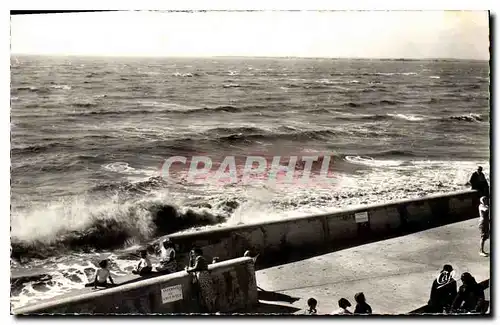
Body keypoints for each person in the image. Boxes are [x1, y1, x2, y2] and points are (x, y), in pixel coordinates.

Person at [186, 248, 215, 312]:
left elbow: (195, 268)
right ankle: (210, 309)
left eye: (193, 253)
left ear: (197, 253)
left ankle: (211, 309)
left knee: (207, 293)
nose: (193, 254)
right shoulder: (197, 259)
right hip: (202, 277)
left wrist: (188, 270)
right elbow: (192, 267)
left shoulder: (199, 258)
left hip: (203, 277)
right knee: (206, 293)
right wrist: (190, 259)